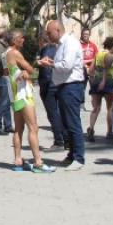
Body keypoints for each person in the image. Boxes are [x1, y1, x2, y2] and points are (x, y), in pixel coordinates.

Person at [5, 29, 55, 174]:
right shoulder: (15, 52)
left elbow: (16, 71)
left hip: (14, 96)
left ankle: (18, 161)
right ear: (14, 40)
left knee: (18, 130)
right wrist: (32, 67)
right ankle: (38, 162)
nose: (23, 40)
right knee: (33, 128)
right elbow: (29, 69)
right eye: (21, 38)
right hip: (23, 94)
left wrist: (32, 66)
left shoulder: (5, 54)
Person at [41, 20, 86, 171]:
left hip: (71, 86)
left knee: (73, 122)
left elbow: (67, 65)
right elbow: (62, 63)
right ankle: (72, 154)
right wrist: (53, 62)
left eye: (49, 32)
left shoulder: (70, 43)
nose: (47, 35)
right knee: (66, 123)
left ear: (58, 30)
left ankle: (79, 157)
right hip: (63, 86)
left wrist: (51, 64)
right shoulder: (60, 45)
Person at [37, 30, 65, 149]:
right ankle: (66, 139)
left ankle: (59, 140)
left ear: (42, 41)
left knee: (53, 114)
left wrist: (44, 86)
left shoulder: (46, 50)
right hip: (59, 84)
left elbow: (46, 70)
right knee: (60, 113)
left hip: (49, 86)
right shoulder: (58, 48)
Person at [87, 37, 113, 143]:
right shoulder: (109, 55)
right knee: (109, 107)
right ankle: (109, 131)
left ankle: (91, 128)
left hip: (96, 80)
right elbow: (106, 69)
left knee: (96, 107)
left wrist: (92, 80)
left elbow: (90, 70)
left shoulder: (98, 54)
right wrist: (103, 82)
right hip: (106, 81)